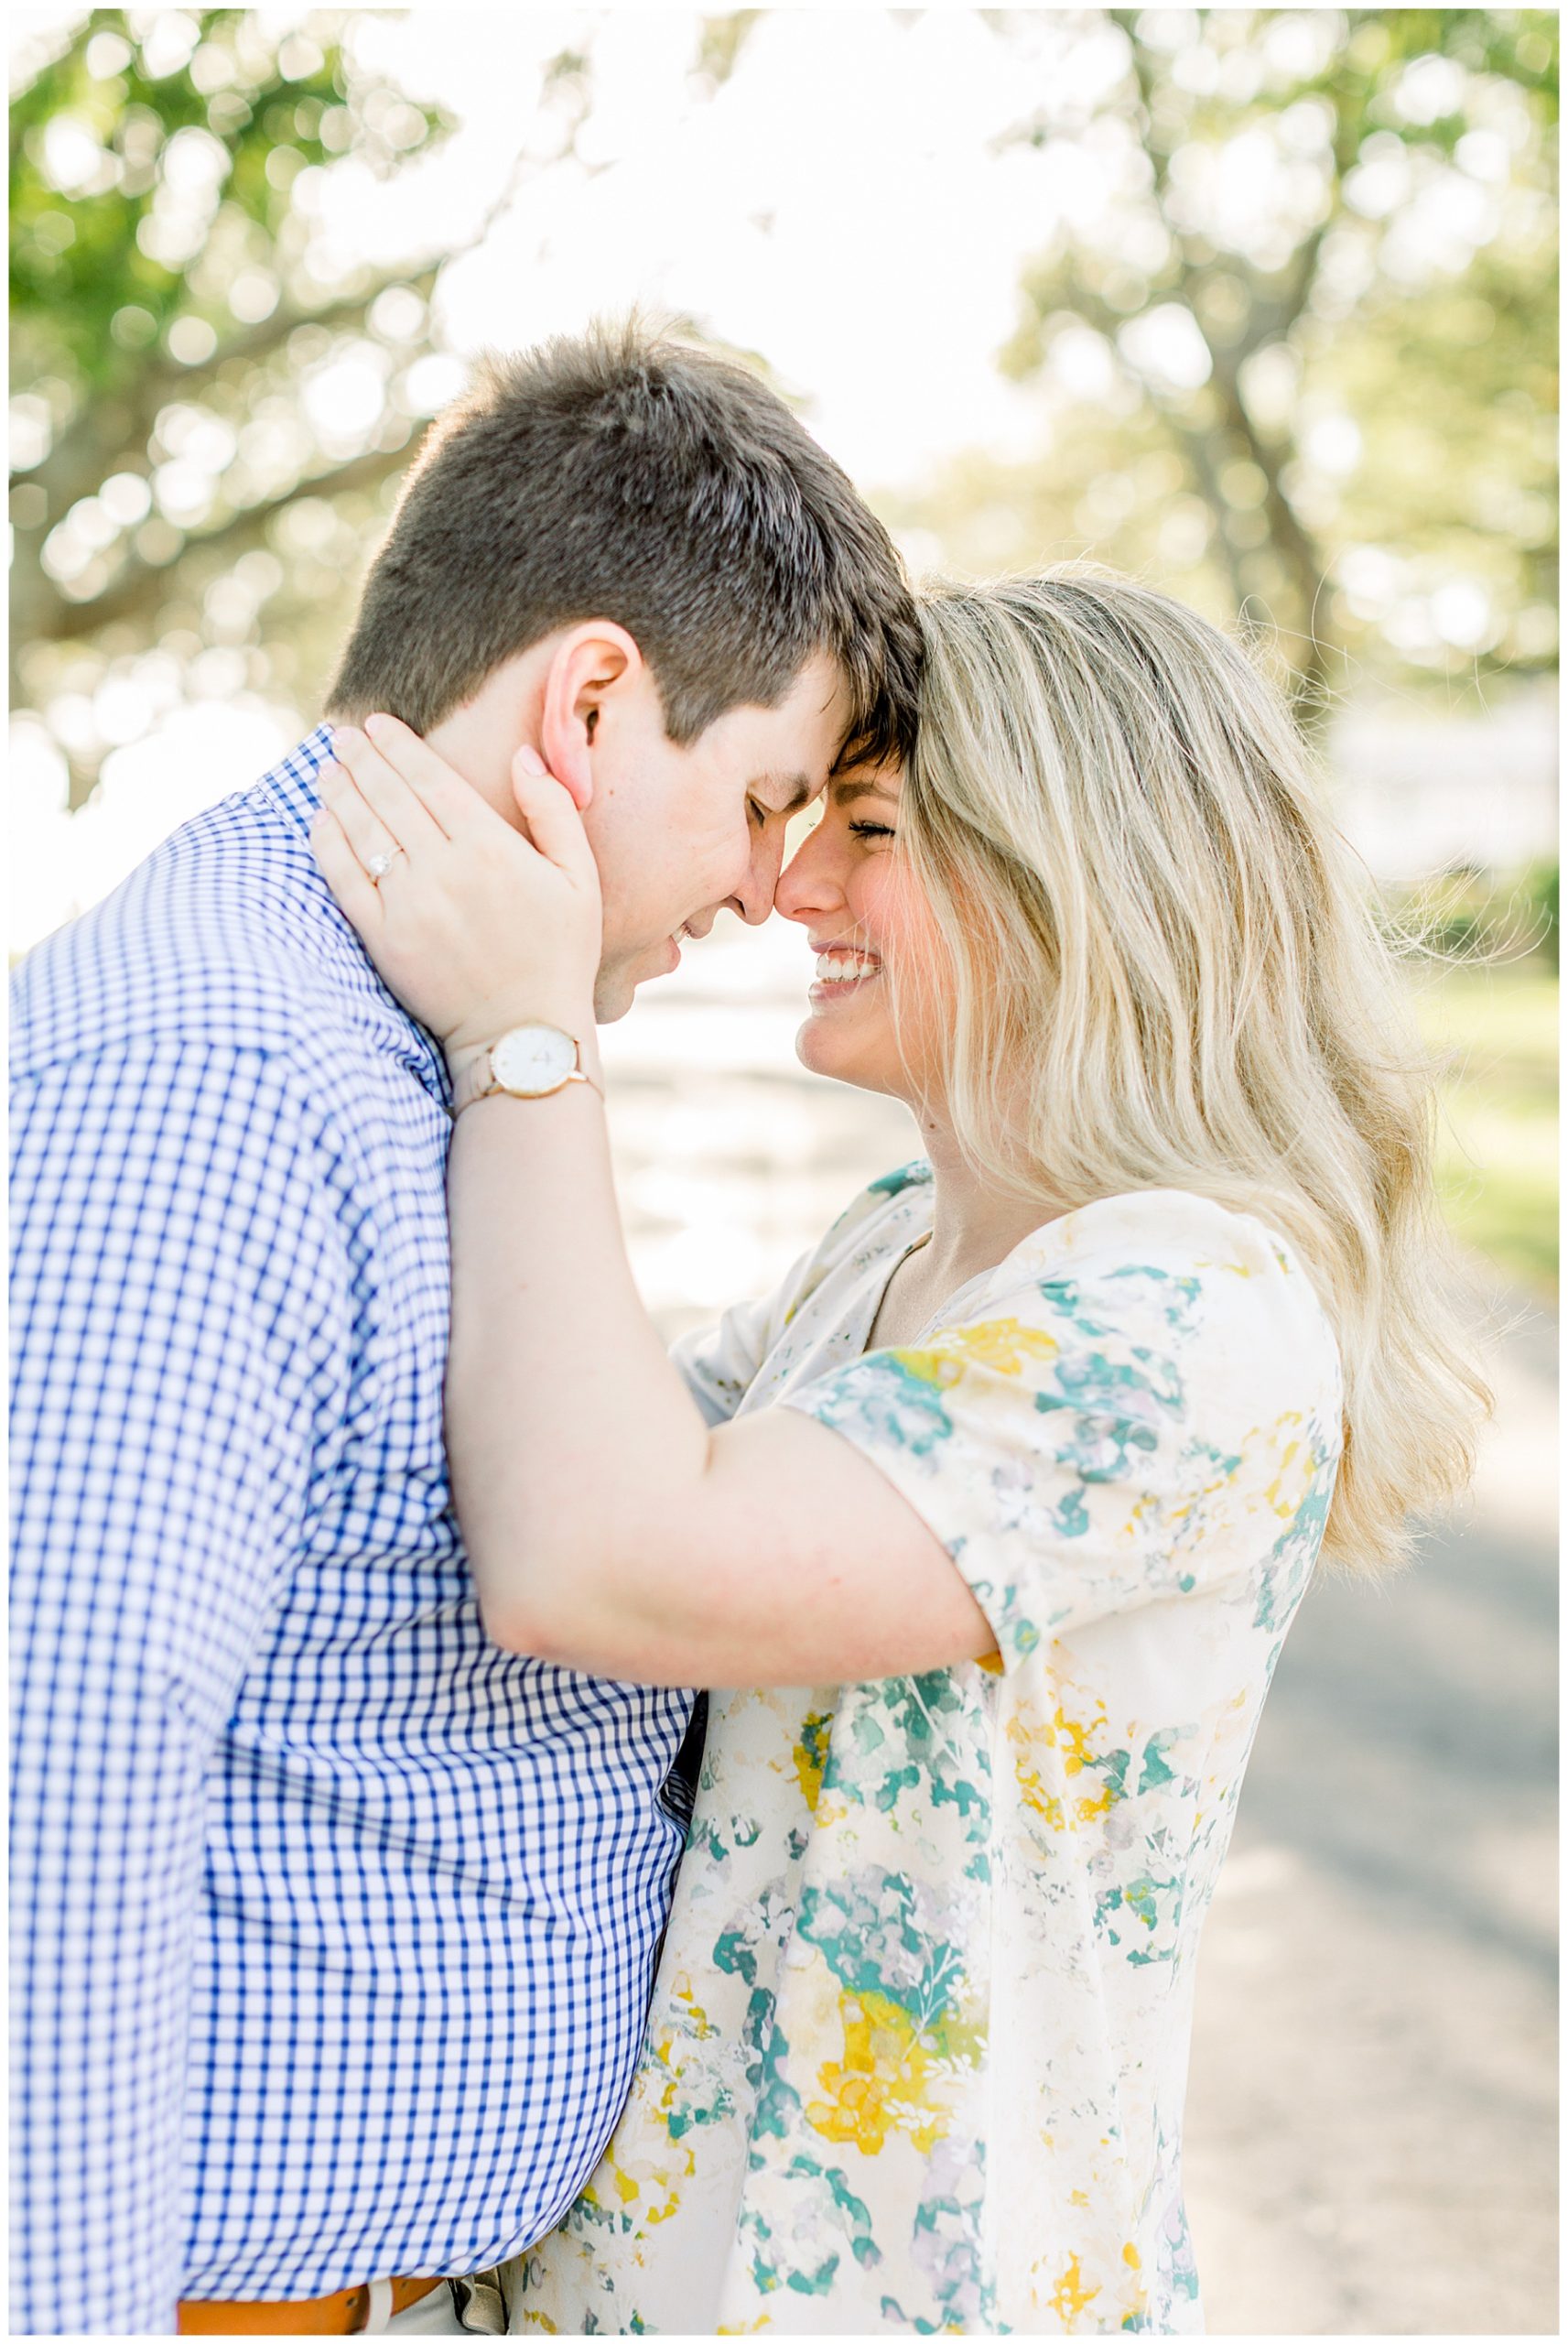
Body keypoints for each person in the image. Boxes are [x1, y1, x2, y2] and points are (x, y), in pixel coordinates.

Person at [309, 567, 1488, 2335]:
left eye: (866, 829)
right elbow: (538, 1457)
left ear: (1074, 884)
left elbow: (603, 1560)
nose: (789, 883)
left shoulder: (1191, 1322)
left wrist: (526, 1041)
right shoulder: (884, 1244)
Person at [9, 320, 921, 2337]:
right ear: (593, 697)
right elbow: (46, 1816)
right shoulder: (215, 1080)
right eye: (763, 792)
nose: (775, 888)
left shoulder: (389, 1040)